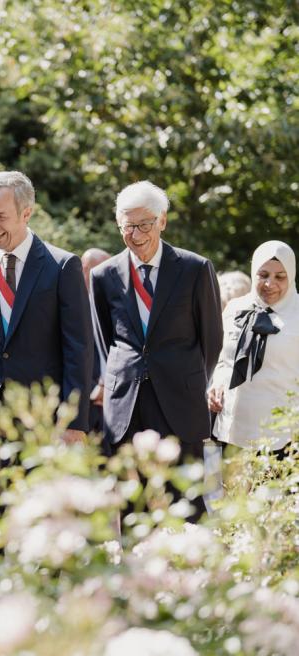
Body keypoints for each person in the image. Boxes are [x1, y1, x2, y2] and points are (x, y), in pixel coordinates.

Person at [0, 171, 94, 535]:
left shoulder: (63, 266)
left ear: (26, 213)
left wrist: (75, 423)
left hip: (43, 420)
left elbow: (78, 348)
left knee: (40, 516)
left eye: (0, 216)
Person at [90, 181, 223, 517]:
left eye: (143, 225)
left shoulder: (194, 269)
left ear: (162, 221)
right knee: (133, 508)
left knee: (187, 502)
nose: (135, 235)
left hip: (181, 401)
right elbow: (105, 338)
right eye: (127, 227)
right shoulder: (103, 275)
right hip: (127, 406)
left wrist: (189, 379)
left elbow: (212, 338)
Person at [208, 241, 298, 453]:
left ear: (291, 276)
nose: (270, 283)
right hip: (231, 430)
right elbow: (222, 360)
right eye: (263, 275)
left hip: (284, 436)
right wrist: (216, 384)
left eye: (280, 277)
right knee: (227, 487)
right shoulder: (235, 308)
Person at [82, 248, 111, 434]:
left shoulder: (114, 308)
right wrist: (94, 389)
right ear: (84, 270)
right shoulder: (68, 310)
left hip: (113, 406)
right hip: (83, 408)